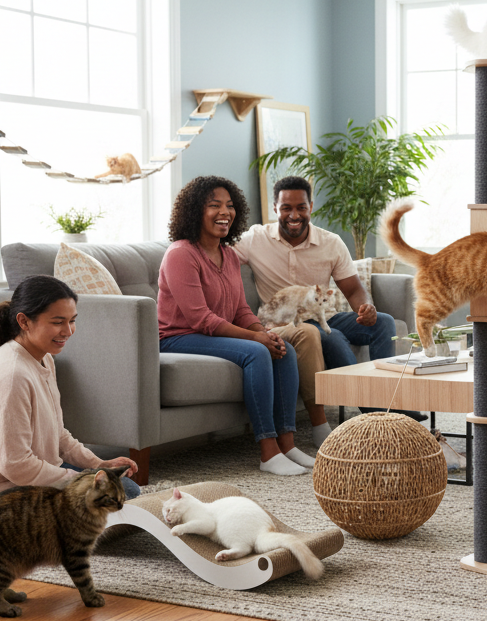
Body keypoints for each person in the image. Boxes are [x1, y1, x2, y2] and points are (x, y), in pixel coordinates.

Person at [234, 175, 425, 446]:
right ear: (275, 208)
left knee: (383, 322)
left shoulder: (331, 242)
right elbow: (217, 252)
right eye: (286, 207)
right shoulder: (254, 239)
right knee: (331, 337)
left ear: (311, 206)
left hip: (327, 317)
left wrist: (365, 307)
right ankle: (384, 417)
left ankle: (388, 401)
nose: (294, 214)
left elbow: (354, 289)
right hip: (293, 324)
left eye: (301, 207)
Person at [158, 175, 310, 476]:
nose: (224, 212)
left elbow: (240, 309)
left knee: (285, 349)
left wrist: (264, 333)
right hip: (177, 337)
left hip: (210, 334)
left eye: (229, 205)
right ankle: (268, 452)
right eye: (214, 205)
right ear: (194, 211)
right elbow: (200, 319)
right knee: (257, 352)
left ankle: (287, 444)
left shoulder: (228, 254)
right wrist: (257, 341)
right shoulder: (180, 254)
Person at [0, 275, 141, 508]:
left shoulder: (43, 358)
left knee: (127, 489)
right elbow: (15, 465)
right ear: (24, 321)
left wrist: (98, 464)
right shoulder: (12, 376)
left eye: (72, 320)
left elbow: (58, 435)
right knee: (115, 497)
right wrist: (79, 479)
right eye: (58, 322)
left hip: (25, 475)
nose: (68, 331)